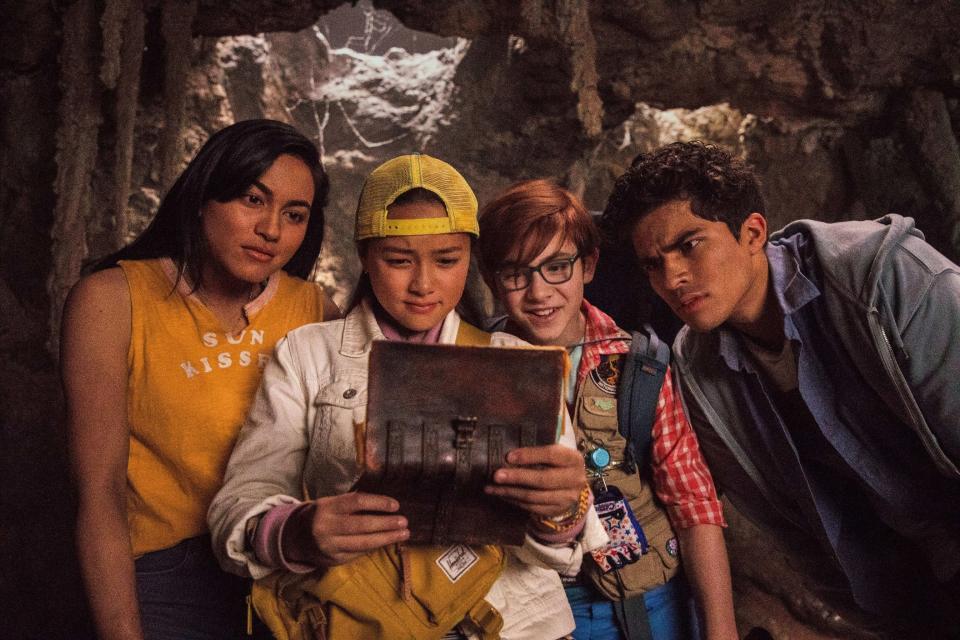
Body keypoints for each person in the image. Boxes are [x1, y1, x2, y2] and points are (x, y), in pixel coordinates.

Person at [208, 153, 608, 640]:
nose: (423, 284)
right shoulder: (307, 354)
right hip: (369, 621)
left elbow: (559, 555)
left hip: (517, 625)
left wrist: (561, 509)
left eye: (447, 260)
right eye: (398, 260)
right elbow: (238, 503)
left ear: (471, 260)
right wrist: (296, 531)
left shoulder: (516, 363)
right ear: (363, 255)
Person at [602, 140, 960, 637]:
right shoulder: (697, 371)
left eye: (689, 245)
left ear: (752, 233)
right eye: (652, 264)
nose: (672, 278)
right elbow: (797, 532)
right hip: (915, 600)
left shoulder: (885, 278)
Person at [60, 119, 340, 640]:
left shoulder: (316, 310)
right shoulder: (112, 301)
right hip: (166, 572)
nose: (272, 230)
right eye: (253, 200)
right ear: (203, 196)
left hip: (284, 570)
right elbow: (98, 494)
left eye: (294, 214)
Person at [476, 179, 737, 640]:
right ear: (492, 280)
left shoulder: (641, 365)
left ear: (589, 264)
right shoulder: (475, 363)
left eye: (557, 266)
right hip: (525, 608)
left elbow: (692, 501)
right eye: (516, 274)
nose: (539, 293)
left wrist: (721, 630)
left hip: (646, 601)